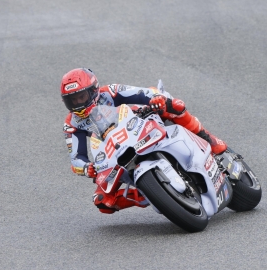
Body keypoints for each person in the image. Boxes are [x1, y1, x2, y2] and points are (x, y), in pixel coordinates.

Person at [61, 68, 227, 214]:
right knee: (103, 202)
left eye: (81, 97)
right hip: (115, 149)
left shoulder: (110, 92)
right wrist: (86, 168)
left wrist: (155, 99)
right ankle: (152, 194)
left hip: (139, 121)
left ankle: (207, 137)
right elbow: (76, 158)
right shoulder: (71, 124)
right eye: (72, 100)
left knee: (174, 105)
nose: (78, 103)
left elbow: (143, 93)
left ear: (93, 90)